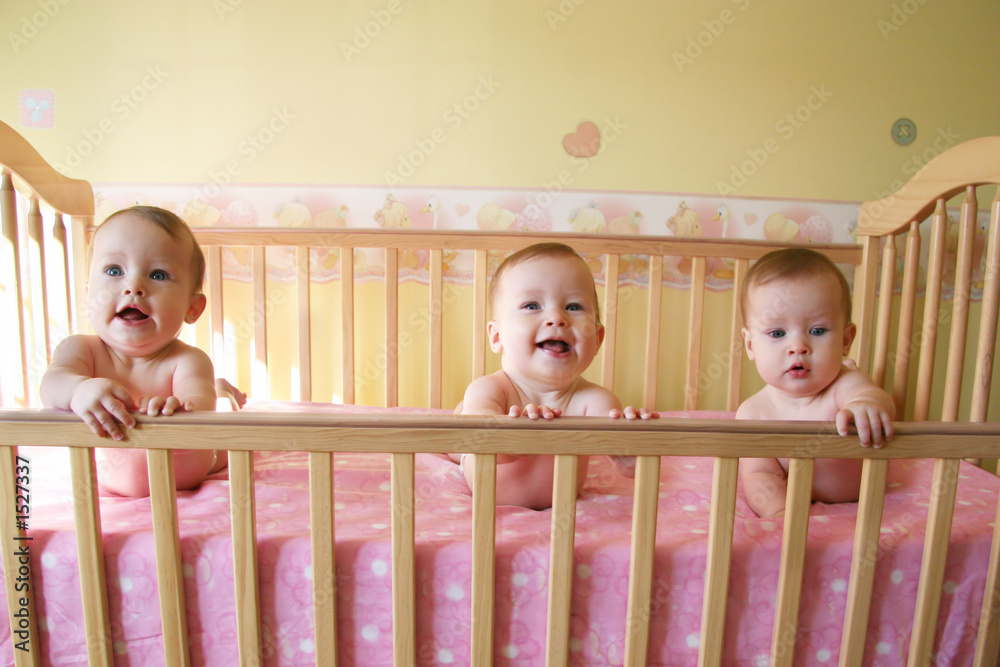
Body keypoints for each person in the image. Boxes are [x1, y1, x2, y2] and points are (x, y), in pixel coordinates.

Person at [41, 205, 227, 497]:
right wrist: (79, 390)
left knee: (226, 445)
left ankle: (226, 394)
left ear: (192, 308)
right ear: (89, 294)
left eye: (158, 275)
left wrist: (179, 409)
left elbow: (199, 414)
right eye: (115, 271)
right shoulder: (80, 350)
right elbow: (51, 385)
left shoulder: (188, 361)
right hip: (107, 484)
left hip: (187, 479)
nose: (134, 286)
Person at [452, 242, 654, 509]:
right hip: (487, 485)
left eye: (573, 307)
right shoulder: (489, 389)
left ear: (597, 339)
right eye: (532, 305)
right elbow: (476, 435)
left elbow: (631, 469)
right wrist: (512, 438)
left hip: (561, 508)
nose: (557, 318)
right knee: (460, 434)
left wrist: (633, 451)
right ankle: (454, 433)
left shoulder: (595, 401)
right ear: (497, 335)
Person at [737, 248, 895, 518]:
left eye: (817, 331)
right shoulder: (754, 414)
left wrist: (866, 405)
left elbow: (875, 399)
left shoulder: (844, 384)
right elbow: (759, 476)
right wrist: (778, 512)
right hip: (793, 511)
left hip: (857, 502)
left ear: (846, 340)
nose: (798, 346)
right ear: (751, 345)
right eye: (777, 333)